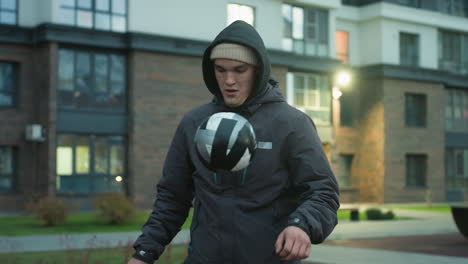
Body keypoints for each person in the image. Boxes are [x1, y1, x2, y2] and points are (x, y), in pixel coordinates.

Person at [128, 20, 339, 264]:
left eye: (239, 70)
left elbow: (323, 192)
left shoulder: (291, 124)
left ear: (258, 70)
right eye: (221, 69)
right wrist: (143, 253)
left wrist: (302, 225)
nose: (229, 80)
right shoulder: (194, 123)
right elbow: (172, 198)